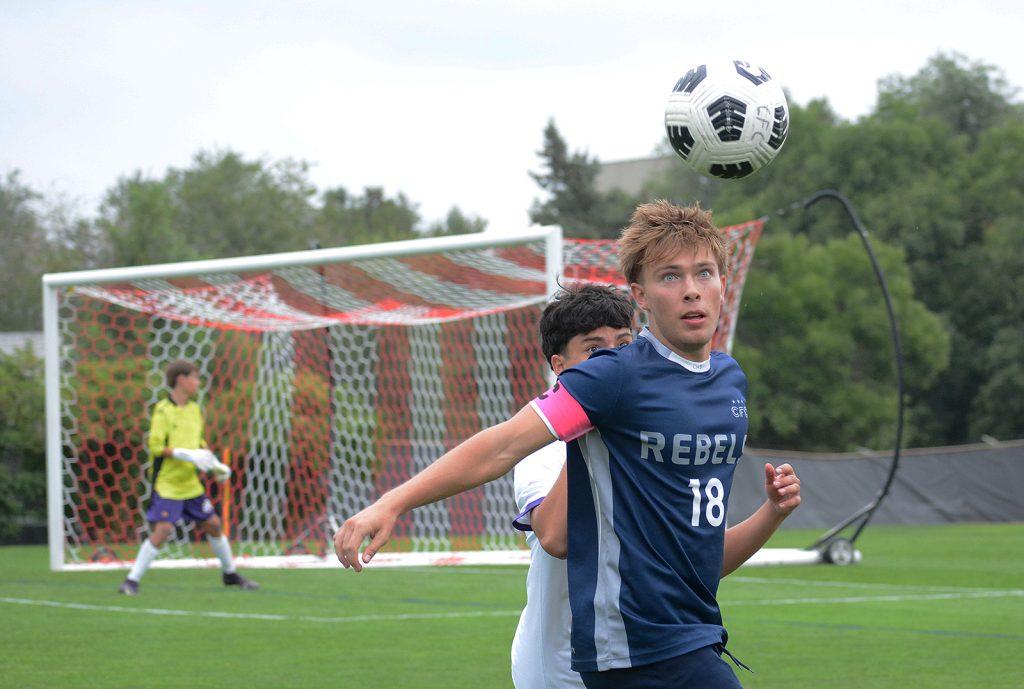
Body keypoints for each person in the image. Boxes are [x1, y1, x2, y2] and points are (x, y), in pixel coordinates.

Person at [335, 201, 802, 688]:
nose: (690, 291)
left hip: (691, 636)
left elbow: (701, 559)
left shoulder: (728, 381)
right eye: (670, 277)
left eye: (704, 272)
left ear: (723, 282)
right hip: (632, 649)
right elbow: (503, 447)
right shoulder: (613, 379)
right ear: (640, 294)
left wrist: (772, 512)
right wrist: (392, 503)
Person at [511, 284, 802, 689]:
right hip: (561, 668)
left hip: (647, 654)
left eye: (624, 344)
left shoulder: (653, 445)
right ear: (560, 366)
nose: (615, 358)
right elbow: (555, 537)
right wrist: (592, 431)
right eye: (596, 350)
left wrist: (772, 512)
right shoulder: (542, 455)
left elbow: (697, 565)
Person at [118, 359, 259, 595]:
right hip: (168, 484)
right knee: (163, 530)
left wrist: (215, 465)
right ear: (181, 380)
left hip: (191, 485)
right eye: (194, 377)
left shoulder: (194, 410)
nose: (197, 382)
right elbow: (154, 447)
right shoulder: (163, 409)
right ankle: (131, 581)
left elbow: (199, 444)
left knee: (213, 524)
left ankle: (230, 574)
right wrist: (183, 454)